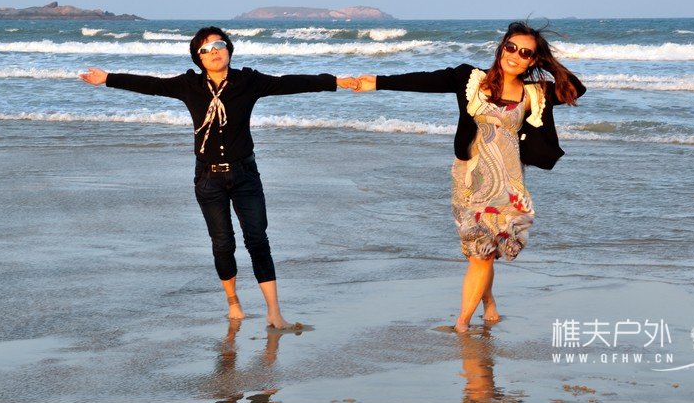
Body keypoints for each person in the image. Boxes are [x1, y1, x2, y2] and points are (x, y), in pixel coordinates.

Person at [80, 27, 357, 329]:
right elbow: (152, 85)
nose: (214, 51)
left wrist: (334, 81)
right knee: (223, 243)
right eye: (205, 49)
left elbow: (289, 83)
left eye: (219, 45)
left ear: (229, 50)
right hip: (208, 179)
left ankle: (274, 312)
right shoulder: (189, 86)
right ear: (198, 58)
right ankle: (233, 301)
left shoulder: (248, 82)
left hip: (245, 175)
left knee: (258, 240)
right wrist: (108, 78)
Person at [355, 21, 585, 332]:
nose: (515, 55)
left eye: (525, 53)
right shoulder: (470, 79)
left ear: (533, 60)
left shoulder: (534, 92)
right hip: (470, 178)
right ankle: (485, 305)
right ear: (501, 48)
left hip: (508, 183)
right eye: (511, 47)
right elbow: (425, 80)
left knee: (484, 255)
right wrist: (376, 82)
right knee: (480, 252)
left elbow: (575, 88)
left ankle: (461, 323)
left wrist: (548, 63)